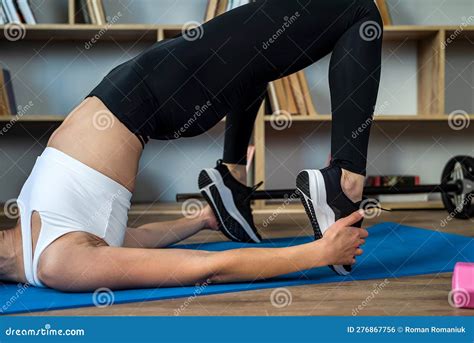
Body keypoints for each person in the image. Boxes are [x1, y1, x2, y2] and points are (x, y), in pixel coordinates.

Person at [0, 0, 381, 291]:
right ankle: (287, 178)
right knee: (355, 10)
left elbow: (117, 243)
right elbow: (187, 264)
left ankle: (326, 180)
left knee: (286, 43)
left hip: (154, 92)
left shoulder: (43, 251)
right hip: (146, 92)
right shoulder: (54, 260)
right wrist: (317, 253)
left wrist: (198, 221)